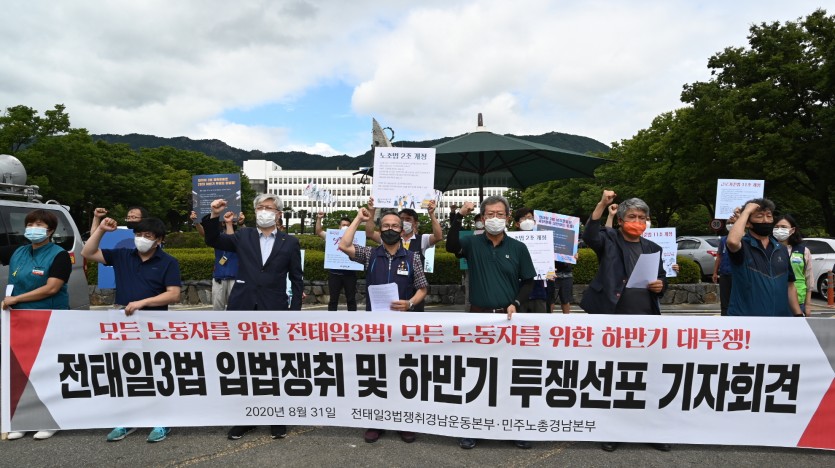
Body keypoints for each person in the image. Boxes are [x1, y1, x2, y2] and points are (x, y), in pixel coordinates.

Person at [201, 194, 303, 441]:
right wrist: (214, 215)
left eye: (269, 208)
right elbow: (213, 240)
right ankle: (246, 416)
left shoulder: (290, 242)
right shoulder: (243, 235)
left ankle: (277, 416)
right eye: (260, 207)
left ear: (278, 214)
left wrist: (294, 314)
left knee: (275, 364)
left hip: (275, 309)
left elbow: (297, 278)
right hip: (243, 307)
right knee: (245, 364)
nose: (264, 211)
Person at [579, 190, 670, 452]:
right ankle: (613, 429)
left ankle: (649, 429)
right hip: (613, 320)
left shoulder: (653, 248)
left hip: (645, 321)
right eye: (632, 217)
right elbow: (590, 235)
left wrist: (660, 286)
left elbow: (662, 278)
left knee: (646, 377)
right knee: (614, 376)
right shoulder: (609, 239)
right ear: (620, 220)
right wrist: (602, 204)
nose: (637, 221)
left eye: (642, 217)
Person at [446, 195, 536, 450]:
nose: (495, 218)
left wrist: (516, 303)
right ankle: (472, 426)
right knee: (477, 374)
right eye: (490, 214)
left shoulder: (518, 248)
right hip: (478, 318)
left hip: (508, 319)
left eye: (500, 214)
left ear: (508, 217)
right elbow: (451, 245)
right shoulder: (472, 243)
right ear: (483, 217)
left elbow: (528, 281)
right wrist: (458, 216)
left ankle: (514, 426)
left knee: (509, 374)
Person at [82, 216, 182, 443]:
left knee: (156, 372)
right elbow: (88, 252)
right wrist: (101, 229)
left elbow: (174, 294)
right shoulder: (122, 255)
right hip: (124, 323)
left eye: (148, 236)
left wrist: (142, 302)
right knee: (127, 371)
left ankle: (162, 420)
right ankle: (128, 419)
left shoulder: (168, 262)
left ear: (159, 240)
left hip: (155, 324)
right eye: (138, 235)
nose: (141, 239)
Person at [338, 207, 428, 444]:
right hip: (375, 327)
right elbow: (344, 245)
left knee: (404, 373)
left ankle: (404, 421)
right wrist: (359, 218)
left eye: (395, 226)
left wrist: (410, 303)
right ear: (380, 229)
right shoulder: (370, 254)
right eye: (386, 225)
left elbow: (422, 288)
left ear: (402, 230)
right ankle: (376, 421)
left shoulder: (412, 257)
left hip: (402, 327)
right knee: (377, 374)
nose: (390, 229)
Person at [2, 209, 72, 440]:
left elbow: (52, 288)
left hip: (48, 319)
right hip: (19, 320)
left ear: (50, 231)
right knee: (20, 371)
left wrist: (17, 299)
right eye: (30, 224)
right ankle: (22, 420)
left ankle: (50, 420)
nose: (33, 228)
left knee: (47, 370)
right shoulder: (18, 251)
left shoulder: (59, 255)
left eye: (39, 225)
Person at [726, 199, 802, 317]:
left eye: (769, 216)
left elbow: (790, 286)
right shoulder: (743, 246)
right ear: (748, 223)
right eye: (760, 216)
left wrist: (798, 314)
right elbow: (732, 241)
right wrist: (746, 212)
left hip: (780, 319)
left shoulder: (781, 249)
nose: (765, 220)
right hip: (746, 319)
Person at [365, 197, 442, 311]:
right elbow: (370, 233)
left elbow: (438, 236)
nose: (405, 221)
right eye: (402, 219)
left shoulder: (422, 239)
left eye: (408, 219)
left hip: (415, 293)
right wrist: (372, 211)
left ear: (415, 223)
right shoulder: (389, 238)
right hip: (390, 294)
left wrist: (431, 214)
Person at [191, 210, 245, 310]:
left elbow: (235, 239)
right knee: (217, 309)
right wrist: (197, 222)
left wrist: (241, 223)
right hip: (219, 277)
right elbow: (205, 234)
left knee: (236, 308)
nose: (226, 220)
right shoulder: (217, 236)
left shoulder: (240, 236)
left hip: (235, 276)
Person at [315, 212, 357, 311]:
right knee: (333, 300)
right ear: (339, 227)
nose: (345, 227)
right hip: (334, 274)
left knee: (351, 299)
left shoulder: (356, 237)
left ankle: (353, 318)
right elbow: (319, 231)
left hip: (350, 274)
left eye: (348, 225)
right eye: (343, 225)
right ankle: (331, 318)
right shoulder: (331, 236)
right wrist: (319, 219)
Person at [774, 214, 812, 316]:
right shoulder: (769, 249)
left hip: (798, 301)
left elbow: (809, 278)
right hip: (774, 300)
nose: (779, 230)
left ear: (792, 230)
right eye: (776, 227)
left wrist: (808, 305)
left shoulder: (804, 251)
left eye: (783, 227)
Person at [512, 208, 548, 313]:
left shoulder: (544, 241)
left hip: (538, 293)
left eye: (530, 218)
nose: (528, 221)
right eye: (524, 218)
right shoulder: (509, 242)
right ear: (517, 224)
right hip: (517, 295)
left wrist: (550, 271)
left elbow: (550, 262)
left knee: (539, 322)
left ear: (535, 222)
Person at [712, 218, 735, 316]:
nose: (730, 225)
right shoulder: (723, 239)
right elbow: (719, 256)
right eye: (728, 223)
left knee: (736, 300)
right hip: (724, 273)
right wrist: (715, 272)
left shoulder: (743, 239)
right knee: (724, 301)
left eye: (733, 223)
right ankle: (725, 318)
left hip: (737, 275)